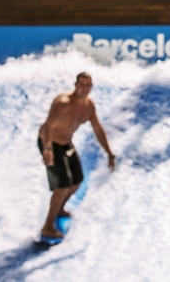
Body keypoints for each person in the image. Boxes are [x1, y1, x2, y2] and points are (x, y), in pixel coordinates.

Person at [37, 72, 115, 240]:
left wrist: (109, 152)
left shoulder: (89, 106)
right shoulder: (63, 103)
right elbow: (49, 126)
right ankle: (47, 226)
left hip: (66, 144)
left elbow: (98, 129)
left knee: (77, 179)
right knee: (64, 182)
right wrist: (48, 149)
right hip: (50, 142)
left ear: (91, 87)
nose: (84, 89)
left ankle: (59, 208)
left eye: (88, 85)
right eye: (81, 85)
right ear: (75, 85)